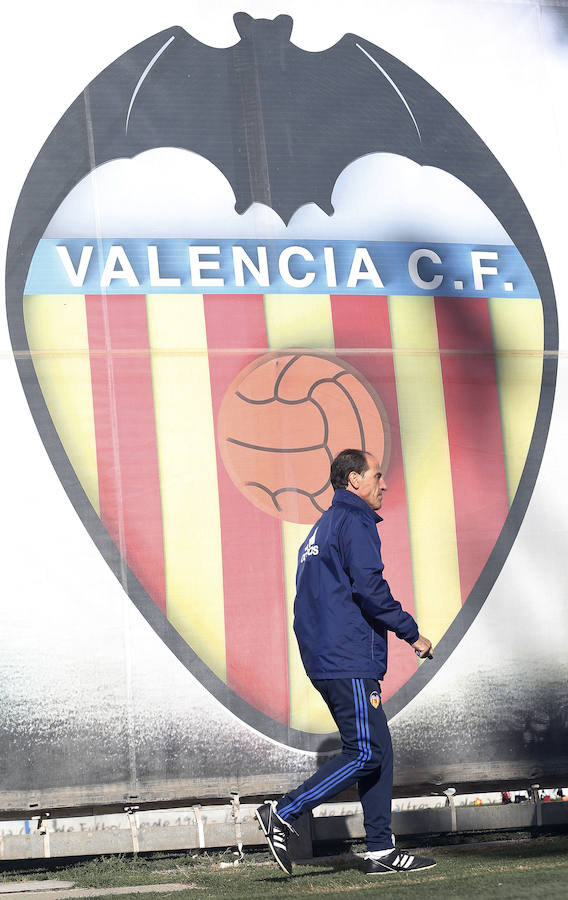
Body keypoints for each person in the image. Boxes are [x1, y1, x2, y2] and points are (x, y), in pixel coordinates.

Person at [256, 448, 436, 876]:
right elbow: (371, 589)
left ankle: (380, 850)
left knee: (380, 750)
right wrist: (412, 632)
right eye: (377, 475)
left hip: (329, 656)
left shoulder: (321, 528)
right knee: (366, 751)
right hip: (348, 657)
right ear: (353, 480)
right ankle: (283, 811)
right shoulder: (354, 521)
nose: (384, 483)